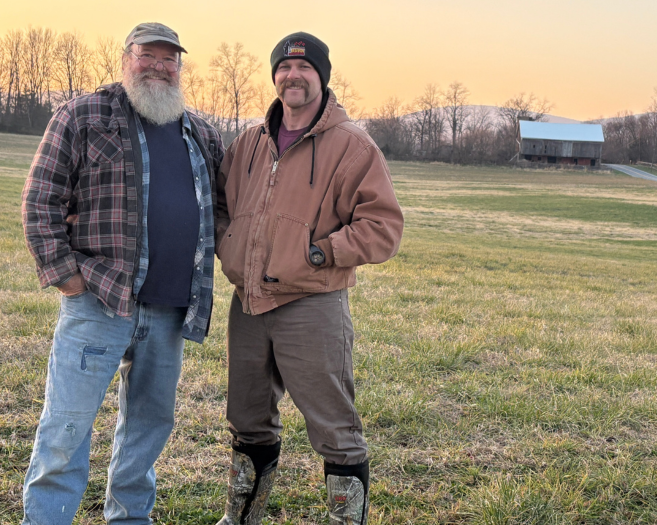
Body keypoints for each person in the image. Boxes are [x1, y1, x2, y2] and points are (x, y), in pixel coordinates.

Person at [20, 22, 224, 524]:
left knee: (149, 427)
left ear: (180, 67)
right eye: (146, 55)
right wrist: (65, 274)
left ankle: (130, 518)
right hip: (100, 300)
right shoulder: (85, 114)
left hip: (171, 308)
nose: (158, 65)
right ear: (125, 58)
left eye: (169, 58)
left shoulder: (200, 132)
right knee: (66, 428)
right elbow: (40, 199)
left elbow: (221, 205)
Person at [212, 32, 403, 525]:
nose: (292, 76)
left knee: (335, 429)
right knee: (248, 421)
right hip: (250, 305)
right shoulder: (249, 143)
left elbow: (383, 227)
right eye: (284, 68)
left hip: (312, 305)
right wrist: (228, 244)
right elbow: (218, 206)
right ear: (274, 76)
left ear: (322, 77)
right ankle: (241, 518)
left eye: (304, 68)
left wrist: (320, 253)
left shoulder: (352, 146)